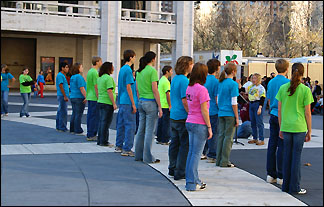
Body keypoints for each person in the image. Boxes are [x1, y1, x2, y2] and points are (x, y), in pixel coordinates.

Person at [276, 63, 313, 195]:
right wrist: (309, 130)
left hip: (286, 126)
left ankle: (285, 185)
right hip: (299, 126)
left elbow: (279, 110)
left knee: (287, 156)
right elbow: (307, 113)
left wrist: (281, 127)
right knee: (296, 157)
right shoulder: (305, 90)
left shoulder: (283, 88)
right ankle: (295, 186)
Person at [185, 63, 212, 191]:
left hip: (190, 120)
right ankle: (192, 182)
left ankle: (192, 179)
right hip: (200, 123)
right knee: (196, 154)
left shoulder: (189, 87)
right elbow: (204, 110)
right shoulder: (202, 90)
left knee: (191, 153)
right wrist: (209, 126)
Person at [134, 51, 162, 164]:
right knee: (150, 131)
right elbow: (155, 89)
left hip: (141, 101)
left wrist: (140, 98)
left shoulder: (139, 72)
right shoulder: (152, 71)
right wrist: (160, 106)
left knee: (141, 129)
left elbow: (137, 89)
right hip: (150, 102)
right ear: (153, 59)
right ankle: (148, 157)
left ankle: (138, 154)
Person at [266, 59, 290, 185]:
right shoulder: (288, 83)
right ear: (287, 69)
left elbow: (269, 99)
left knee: (272, 144)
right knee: (282, 145)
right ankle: (281, 174)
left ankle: (271, 173)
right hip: (283, 115)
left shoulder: (271, 82)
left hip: (273, 113)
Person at [168, 56, 193, 180]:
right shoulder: (184, 80)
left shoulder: (175, 79)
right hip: (182, 115)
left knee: (174, 143)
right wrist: (191, 113)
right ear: (187, 65)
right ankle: (180, 170)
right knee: (184, 145)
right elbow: (185, 100)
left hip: (174, 114)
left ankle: (172, 167)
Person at [216, 62, 239, 167]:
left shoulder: (220, 83)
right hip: (229, 113)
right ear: (234, 72)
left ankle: (219, 159)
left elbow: (217, 98)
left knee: (221, 136)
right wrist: (237, 118)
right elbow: (234, 102)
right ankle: (225, 160)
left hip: (221, 112)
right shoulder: (233, 84)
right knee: (228, 138)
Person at [115, 50, 137, 156]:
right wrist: (133, 103)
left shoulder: (122, 69)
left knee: (121, 124)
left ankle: (118, 145)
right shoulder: (128, 70)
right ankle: (127, 148)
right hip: (128, 100)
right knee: (130, 125)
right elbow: (129, 86)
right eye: (134, 57)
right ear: (131, 57)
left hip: (122, 99)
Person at [202, 59, 220, 163]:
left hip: (204, 110)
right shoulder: (216, 82)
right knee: (214, 133)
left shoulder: (204, 80)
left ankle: (203, 151)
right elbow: (217, 98)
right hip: (213, 110)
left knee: (204, 132)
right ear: (217, 68)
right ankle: (212, 154)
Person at [97, 62, 117, 147]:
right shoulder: (108, 78)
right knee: (106, 122)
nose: (113, 69)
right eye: (112, 67)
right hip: (107, 102)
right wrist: (114, 103)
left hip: (101, 101)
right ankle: (104, 141)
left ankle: (100, 140)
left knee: (102, 121)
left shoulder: (100, 78)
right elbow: (109, 91)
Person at [86, 56, 102, 141]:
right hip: (94, 97)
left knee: (90, 115)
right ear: (97, 62)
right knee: (94, 116)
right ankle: (92, 134)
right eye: (100, 61)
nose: (101, 63)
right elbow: (96, 86)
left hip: (90, 95)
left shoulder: (90, 71)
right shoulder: (95, 72)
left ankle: (89, 132)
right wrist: (98, 96)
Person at [247, 73, 266, 145]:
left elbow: (262, 98)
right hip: (251, 103)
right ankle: (255, 137)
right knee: (253, 122)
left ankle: (261, 138)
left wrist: (260, 107)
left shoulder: (261, 88)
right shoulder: (251, 87)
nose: (253, 80)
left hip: (257, 103)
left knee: (259, 122)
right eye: (253, 78)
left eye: (255, 78)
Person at [156, 65, 173, 145]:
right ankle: (165, 139)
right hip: (165, 104)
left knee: (161, 122)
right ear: (167, 72)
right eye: (171, 71)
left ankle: (159, 138)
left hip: (161, 103)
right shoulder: (166, 82)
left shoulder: (161, 80)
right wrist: (170, 105)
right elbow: (168, 94)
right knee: (166, 123)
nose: (172, 73)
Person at [69, 63, 87, 135]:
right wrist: (86, 96)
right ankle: (78, 129)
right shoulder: (79, 77)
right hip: (79, 97)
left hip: (73, 96)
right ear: (78, 68)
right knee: (79, 114)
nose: (82, 68)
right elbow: (81, 88)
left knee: (74, 113)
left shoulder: (72, 77)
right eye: (81, 67)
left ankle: (72, 128)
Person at [56, 62, 70, 132]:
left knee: (60, 110)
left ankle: (59, 126)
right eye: (66, 67)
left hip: (62, 95)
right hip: (62, 95)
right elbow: (61, 86)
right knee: (63, 111)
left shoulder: (62, 75)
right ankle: (62, 127)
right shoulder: (60, 75)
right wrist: (65, 95)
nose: (68, 69)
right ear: (62, 68)